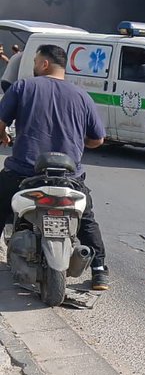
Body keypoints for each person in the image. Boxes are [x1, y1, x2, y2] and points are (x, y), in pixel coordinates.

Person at [0, 43, 109, 291]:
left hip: (24, 173)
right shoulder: (82, 95)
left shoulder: (23, 87)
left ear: (44, 64)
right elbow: (97, 139)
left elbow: (0, 122)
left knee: (0, 205)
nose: (34, 66)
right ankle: (100, 271)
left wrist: (4, 137)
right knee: (87, 219)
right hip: (69, 178)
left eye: (36, 61)